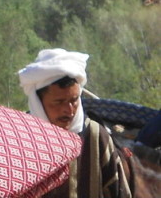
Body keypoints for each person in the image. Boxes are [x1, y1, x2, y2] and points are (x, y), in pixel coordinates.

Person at [18, 48, 133, 198]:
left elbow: (118, 191)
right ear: (38, 102)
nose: (69, 110)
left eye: (74, 100)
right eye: (59, 102)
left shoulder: (94, 135)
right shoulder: (20, 137)